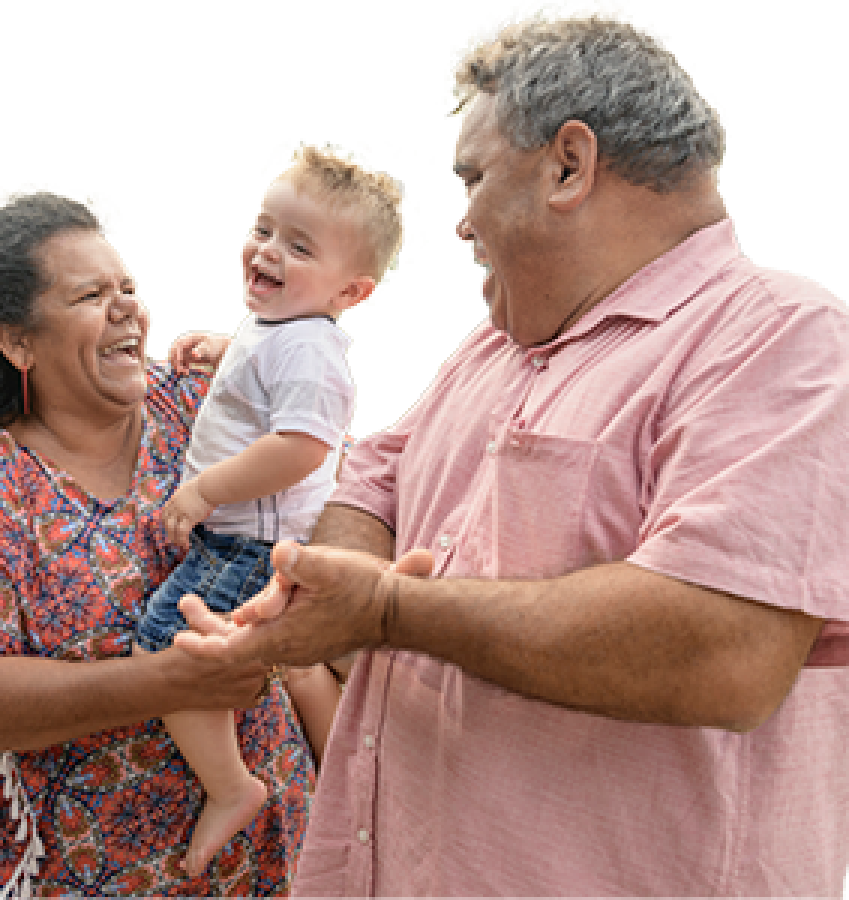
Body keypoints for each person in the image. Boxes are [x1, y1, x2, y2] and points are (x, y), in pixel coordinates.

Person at [174, 5, 849, 898]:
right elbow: (372, 483)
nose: (459, 222)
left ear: (568, 166)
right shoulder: (495, 344)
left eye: (476, 177)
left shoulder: (782, 336)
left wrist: (385, 614)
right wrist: (319, 595)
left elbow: (728, 646)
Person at [0, 188, 314, 898]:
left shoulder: (205, 406)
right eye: (90, 295)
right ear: (17, 339)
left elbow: (337, 481)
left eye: (130, 288)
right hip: (93, 874)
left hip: (275, 852)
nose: (128, 309)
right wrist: (163, 683)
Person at [133, 144, 407, 877]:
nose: (268, 250)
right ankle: (337, 782)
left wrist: (204, 489)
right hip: (257, 540)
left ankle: (232, 787)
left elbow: (302, 446)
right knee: (298, 663)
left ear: (350, 291)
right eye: (264, 229)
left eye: (298, 246)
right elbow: (266, 384)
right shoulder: (282, 330)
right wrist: (226, 352)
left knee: (166, 648)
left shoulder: (311, 351)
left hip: (247, 543)